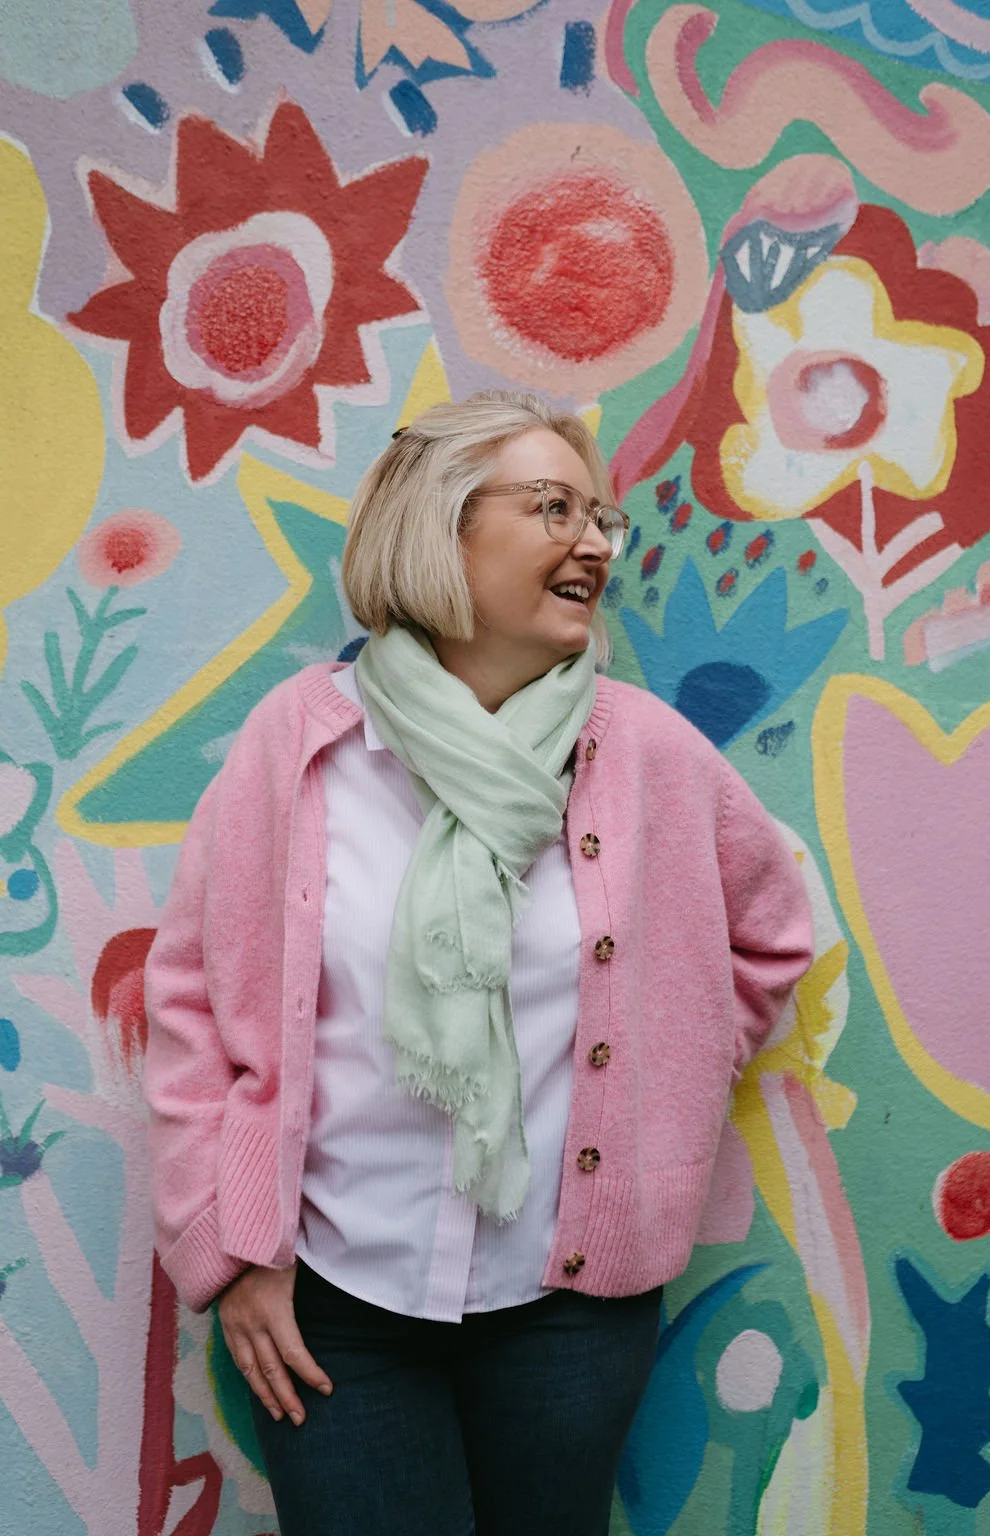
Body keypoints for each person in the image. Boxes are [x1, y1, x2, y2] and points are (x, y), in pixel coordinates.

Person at [143, 389, 813, 1536]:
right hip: (334, 1295)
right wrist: (229, 1251)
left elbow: (770, 930)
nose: (594, 542)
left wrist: (673, 1068)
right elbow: (194, 999)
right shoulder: (302, 748)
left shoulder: (645, 755)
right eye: (553, 508)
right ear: (439, 527)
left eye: (599, 517)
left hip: (568, 1309)